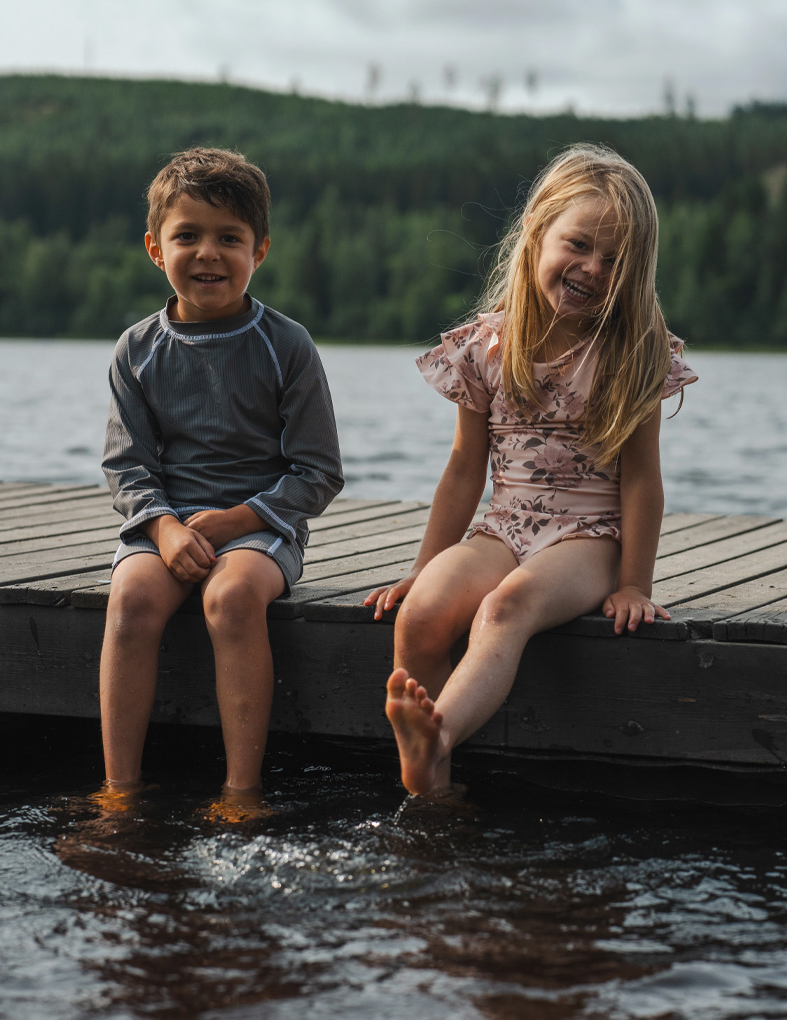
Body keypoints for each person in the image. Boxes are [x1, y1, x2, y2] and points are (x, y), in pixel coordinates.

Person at [365, 143, 697, 797]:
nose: (592, 268)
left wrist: (634, 583)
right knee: (422, 614)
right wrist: (422, 566)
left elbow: (641, 480)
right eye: (578, 244)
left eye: (613, 260)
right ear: (537, 231)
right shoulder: (487, 346)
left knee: (503, 608)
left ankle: (437, 738)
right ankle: (428, 787)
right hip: (504, 526)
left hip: (588, 539)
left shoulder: (630, 354)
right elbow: (464, 468)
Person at [100, 147, 343, 798]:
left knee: (230, 598)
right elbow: (126, 465)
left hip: (259, 527)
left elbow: (318, 471)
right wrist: (166, 530)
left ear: (259, 251)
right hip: (167, 526)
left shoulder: (284, 344)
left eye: (229, 238)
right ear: (155, 247)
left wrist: (239, 518)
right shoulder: (137, 350)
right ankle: (119, 789)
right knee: (131, 600)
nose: (207, 253)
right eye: (187, 236)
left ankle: (241, 792)